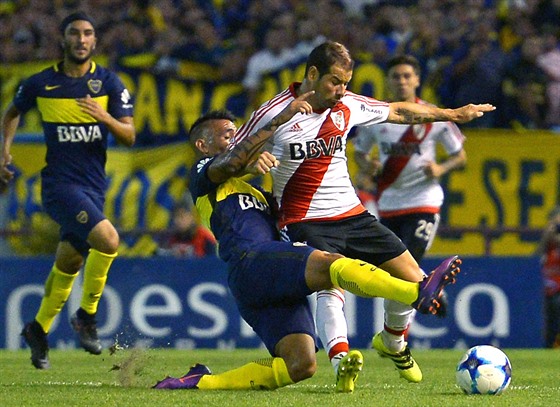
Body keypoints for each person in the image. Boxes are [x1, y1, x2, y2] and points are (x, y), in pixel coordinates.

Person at [152, 96, 461, 392]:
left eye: (237, 133)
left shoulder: (256, 192)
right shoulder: (202, 175)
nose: (236, 139)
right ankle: (415, 292)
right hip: (251, 260)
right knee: (329, 264)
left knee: (301, 365)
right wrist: (282, 119)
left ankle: (201, 382)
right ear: (202, 145)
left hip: (268, 277)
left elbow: (246, 171)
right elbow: (229, 163)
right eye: (228, 134)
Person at [233, 41, 493, 386]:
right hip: (303, 219)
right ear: (312, 74)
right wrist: (253, 163)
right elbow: (233, 156)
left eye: (346, 83)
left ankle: (392, 341)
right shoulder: (274, 112)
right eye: (335, 82)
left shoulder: (348, 106)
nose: (341, 91)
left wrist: (453, 114)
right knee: (330, 285)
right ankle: (342, 362)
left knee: (412, 278)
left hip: (353, 215)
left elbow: (398, 111)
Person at [0, 12, 135, 369]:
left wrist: (103, 117)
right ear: (63, 40)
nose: (81, 39)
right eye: (74, 33)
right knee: (108, 239)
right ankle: (87, 316)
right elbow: (11, 113)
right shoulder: (41, 83)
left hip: (94, 187)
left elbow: (129, 135)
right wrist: (4, 151)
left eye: (88, 33)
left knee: (70, 261)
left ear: (95, 41)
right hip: (59, 186)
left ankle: (37, 328)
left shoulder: (108, 83)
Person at [352, 55, 467, 264]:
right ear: (387, 80)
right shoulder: (375, 117)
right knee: (395, 271)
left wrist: (441, 168)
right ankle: (438, 297)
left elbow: (460, 156)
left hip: (423, 201)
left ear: (417, 80)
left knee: (410, 263)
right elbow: (359, 152)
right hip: (388, 202)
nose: (402, 81)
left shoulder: (433, 115)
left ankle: (433, 295)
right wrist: (368, 165)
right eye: (396, 77)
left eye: (407, 76)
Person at [536, 206, 560, 348]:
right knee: (548, 323)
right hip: (548, 290)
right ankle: (549, 345)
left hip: (558, 289)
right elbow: (536, 254)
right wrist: (547, 236)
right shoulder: (547, 246)